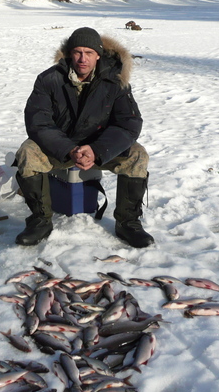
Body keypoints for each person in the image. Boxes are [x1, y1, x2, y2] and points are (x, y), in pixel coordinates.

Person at [14, 27, 154, 248]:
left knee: (137, 155)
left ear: (98, 54)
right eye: (77, 52)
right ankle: (40, 222)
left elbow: (129, 123)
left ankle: (128, 223)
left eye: (89, 53)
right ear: (69, 53)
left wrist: (97, 150)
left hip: (100, 148)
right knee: (27, 152)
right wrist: (69, 149)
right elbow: (38, 123)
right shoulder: (49, 79)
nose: (82, 58)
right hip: (61, 148)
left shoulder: (116, 81)